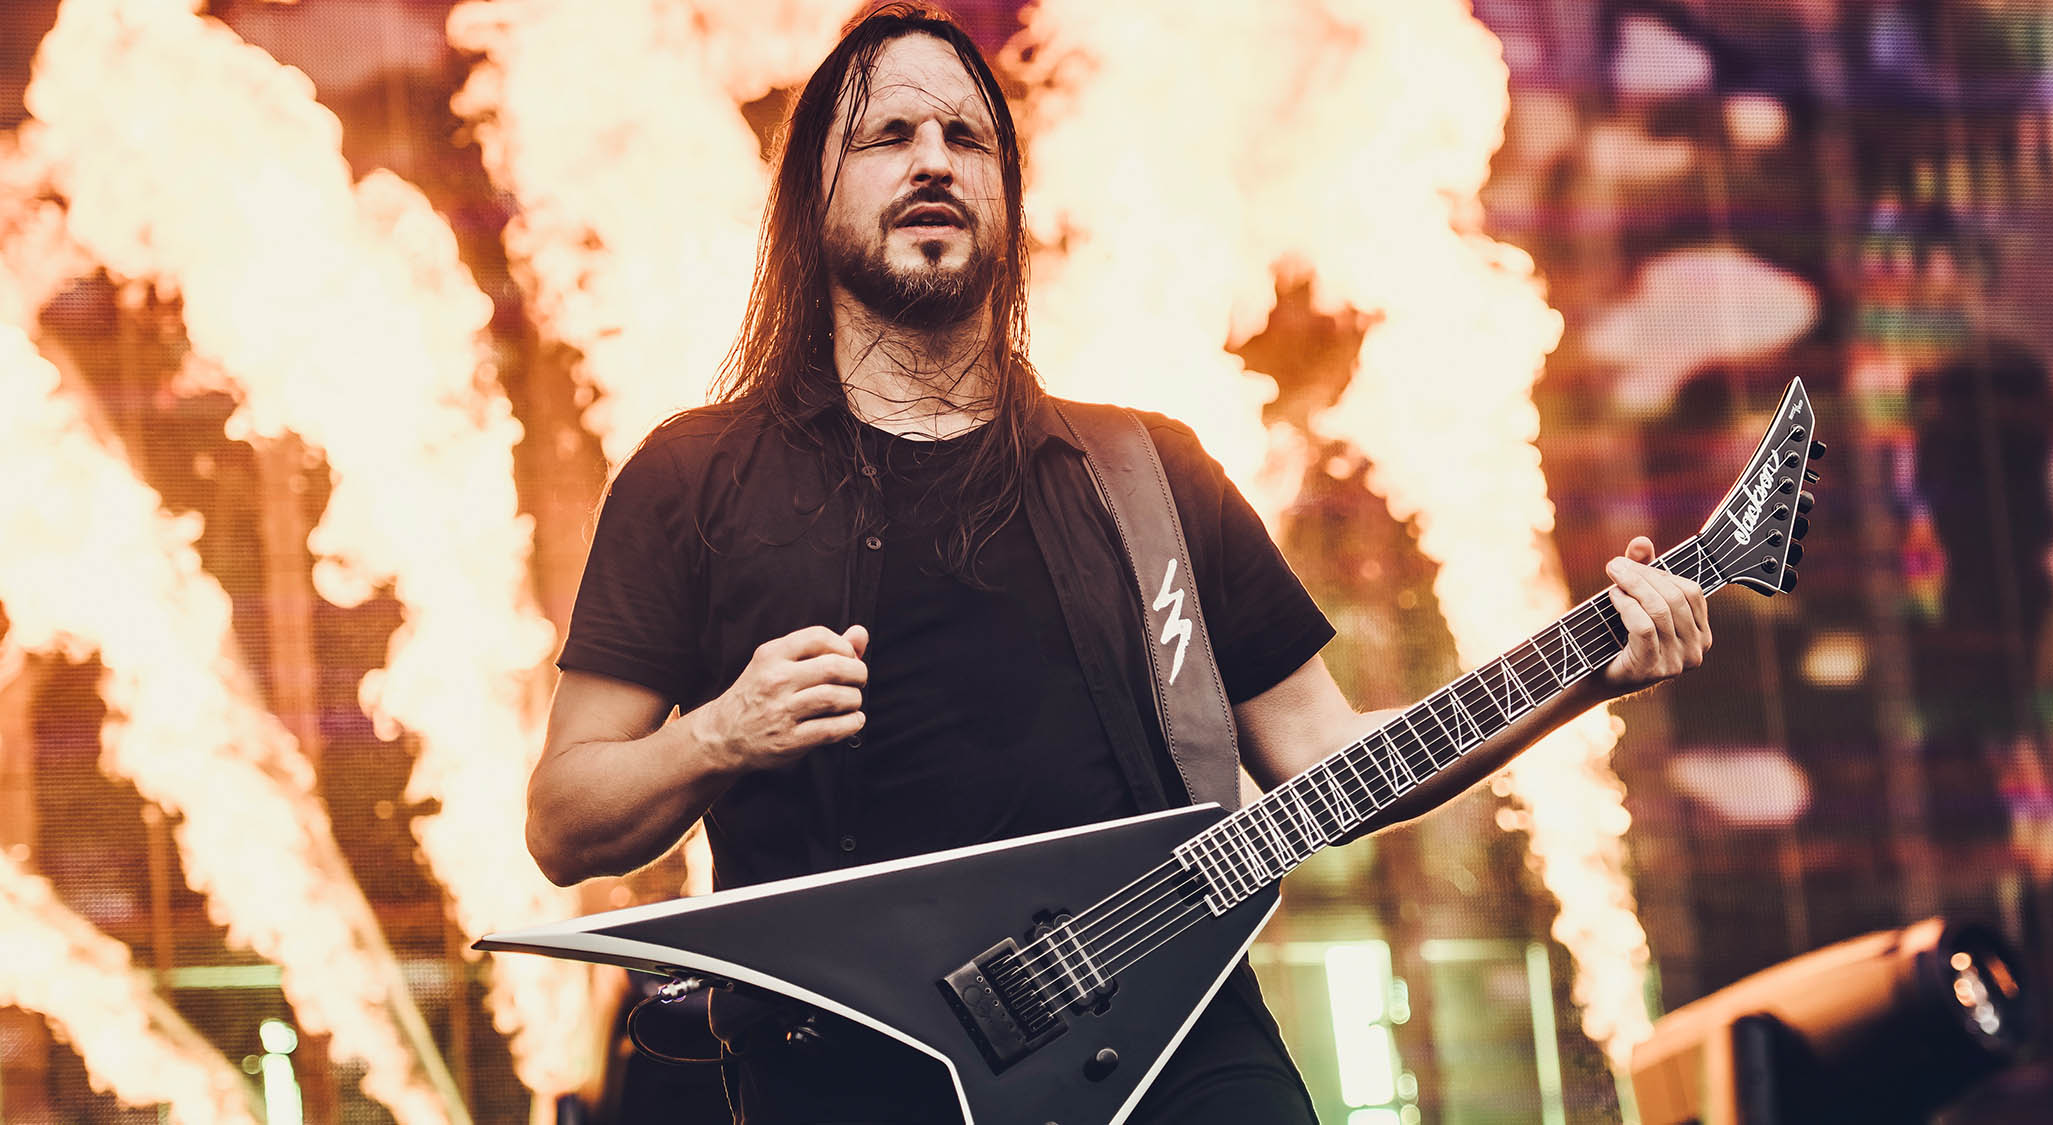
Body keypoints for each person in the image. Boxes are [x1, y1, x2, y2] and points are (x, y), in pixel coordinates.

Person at [528, 5, 1713, 1122]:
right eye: (889, 136)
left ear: (1008, 196)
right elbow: (565, 822)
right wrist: (718, 735)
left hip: (1178, 1048)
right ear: (812, 197)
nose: (934, 160)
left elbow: (1327, 756)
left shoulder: (1150, 471)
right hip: (851, 1075)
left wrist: (1588, 674)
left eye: (968, 139)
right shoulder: (695, 476)